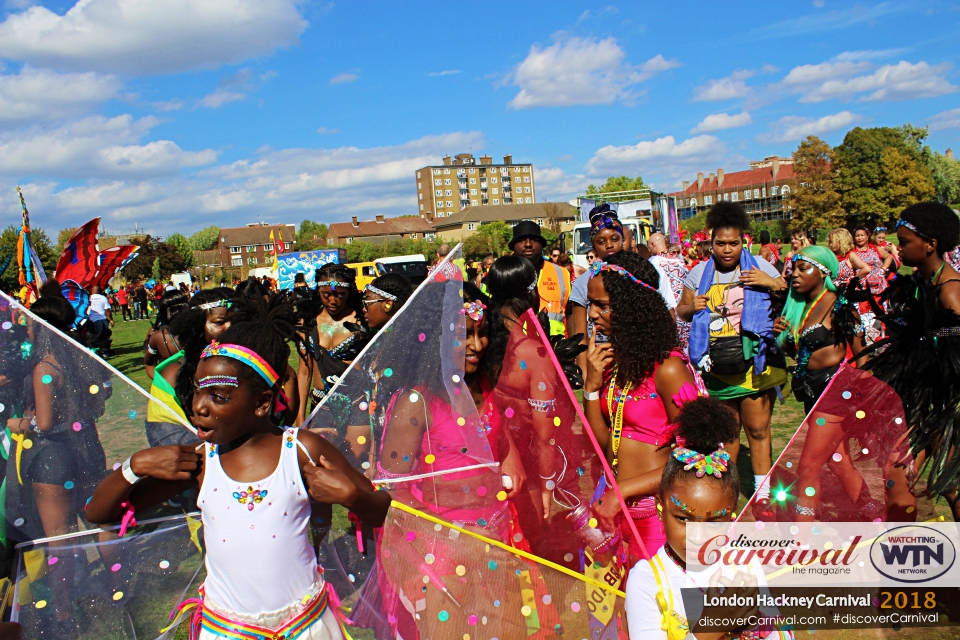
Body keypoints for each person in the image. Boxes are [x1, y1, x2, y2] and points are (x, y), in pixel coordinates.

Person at [86, 297, 391, 640]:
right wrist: (133, 466)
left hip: (305, 627)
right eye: (198, 391)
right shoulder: (200, 463)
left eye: (219, 396)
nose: (198, 406)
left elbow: (382, 512)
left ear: (261, 402)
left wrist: (351, 496)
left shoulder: (302, 450)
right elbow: (102, 513)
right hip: (227, 631)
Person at [626, 398, 790, 640]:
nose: (698, 536)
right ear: (661, 508)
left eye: (714, 522)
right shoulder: (648, 579)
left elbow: (779, 633)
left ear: (732, 517)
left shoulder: (743, 564)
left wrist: (759, 627)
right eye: (683, 518)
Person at [5, 296, 109, 634]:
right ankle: (118, 585)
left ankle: (63, 613)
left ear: (41, 326)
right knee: (99, 519)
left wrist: (18, 424)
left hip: (56, 458)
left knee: (59, 538)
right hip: (90, 447)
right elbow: (99, 405)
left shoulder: (45, 368)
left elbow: (45, 424)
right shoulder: (83, 360)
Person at [676, 202, 787, 519]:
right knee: (728, 435)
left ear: (744, 242)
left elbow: (789, 295)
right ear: (711, 243)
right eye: (721, 243)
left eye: (733, 243)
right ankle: (730, 494)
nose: (727, 249)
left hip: (755, 366)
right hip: (717, 368)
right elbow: (680, 311)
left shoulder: (761, 267)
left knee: (759, 431)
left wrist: (770, 283)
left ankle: (763, 496)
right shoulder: (698, 273)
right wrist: (692, 306)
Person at [583, 252, 697, 554]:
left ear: (633, 308)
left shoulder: (669, 369)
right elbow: (603, 445)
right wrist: (591, 389)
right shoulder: (614, 365)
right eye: (590, 304)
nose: (593, 315)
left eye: (603, 306)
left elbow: (696, 456)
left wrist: (623, 491)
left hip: (659, 516)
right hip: (617, 512)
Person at [861, 202, 960, 518]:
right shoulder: (920, 282)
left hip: (949, 404)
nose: (898, 249)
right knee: (898, 474)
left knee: (952, 483)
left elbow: (955, 333)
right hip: (924, 399)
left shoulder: (950, 289)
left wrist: (934, 332)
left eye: (905, 242)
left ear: (930, 245)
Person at [772, 247, 881, 522]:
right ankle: (874, 516)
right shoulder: (799, 308)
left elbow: (862, 355)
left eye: (802, 268)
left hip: (836, 393)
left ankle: (802, 542)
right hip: (812, 393)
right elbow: (804, 356)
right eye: (793, 268)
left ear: (823, 272)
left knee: (808, 467)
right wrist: (781, 337)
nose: (794, 274)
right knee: (838, 461)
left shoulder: (840, 305)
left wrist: (865, 401)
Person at [145, 289, 233, 448]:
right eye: (220, 322)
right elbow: (166, 438)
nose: (231, 327)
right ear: (197, 325)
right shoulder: (173, 374)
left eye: (236, 320)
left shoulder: (250, 364)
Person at [296, 264, 367, 448]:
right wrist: (300, 417)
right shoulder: (308, 322)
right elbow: (304, 373)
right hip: (321, 407)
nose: (333, 300)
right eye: (326, 295)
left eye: (340, 295)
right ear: (317, 290)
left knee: (356, 465)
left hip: (357, 405)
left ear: (349, 292)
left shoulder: (361, 320)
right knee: (322, 463)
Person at [510, 221, 570, 336]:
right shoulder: (502, 273)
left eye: (534, 239)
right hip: (515, 348)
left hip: (554, 348)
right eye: (522, 240)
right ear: (513, 246)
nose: (528, 244)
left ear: (542, 245)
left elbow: (571, 315)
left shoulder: (561, 273)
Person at [649, 232, 692, 351]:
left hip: (668, 313)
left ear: (653, 245)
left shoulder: (653, 262)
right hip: (685, 311)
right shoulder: (679, 262)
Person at [144, 289, 190, 381]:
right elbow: (149, 363)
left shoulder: (198, 329)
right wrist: (162, 384)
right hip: (169, 388)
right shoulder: (156, 335)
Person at [87, 285, 115, 357]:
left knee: (94, 336)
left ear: (92, 291)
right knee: (105, 335)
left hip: (92, 320)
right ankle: (105, 351)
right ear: (100, 291)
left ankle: (97, 351)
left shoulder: (89, 298)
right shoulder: (103, 298)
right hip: (101, 319)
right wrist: (111, 319)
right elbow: (107, 310)